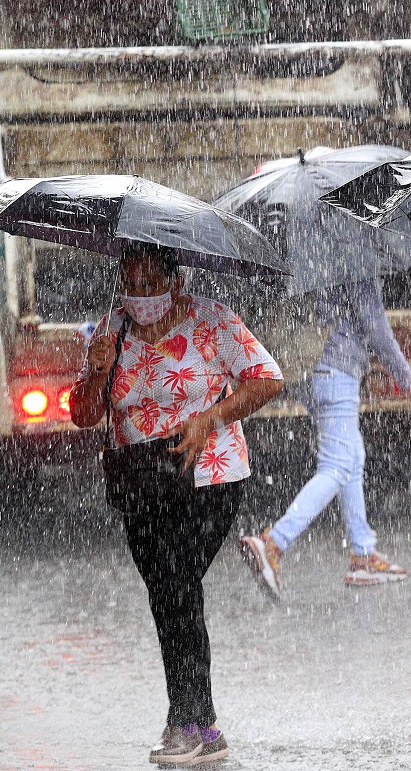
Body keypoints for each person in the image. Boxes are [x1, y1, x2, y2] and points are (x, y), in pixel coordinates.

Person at [69, 243, 284, 766]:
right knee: (166, 592)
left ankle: (192, 720)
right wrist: (96, 371)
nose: (140, 296)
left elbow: (268, 379)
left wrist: (208, 418)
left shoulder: (213, 321)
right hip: (140, 481)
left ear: (175, 281)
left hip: (209, 474)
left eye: (151, 284)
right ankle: (194, 723)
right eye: (131, 284)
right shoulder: (111, 328)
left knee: (176, 579)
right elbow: (83, 415)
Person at [239, 278, 411, 598]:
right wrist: (403, 373)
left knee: (352, 458)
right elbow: (373, 322)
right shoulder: (354, 258)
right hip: (336, 371)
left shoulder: (315, 257)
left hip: (308, 368)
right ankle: (273, 543)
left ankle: (362, 555)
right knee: (336, 466)